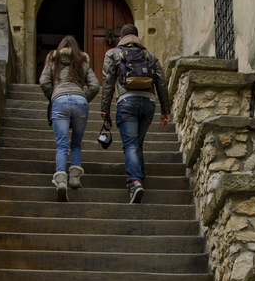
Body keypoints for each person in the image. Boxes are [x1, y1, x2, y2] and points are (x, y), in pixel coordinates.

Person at [100, 24, 171, 204]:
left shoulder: (113, 54)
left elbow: (108, 82)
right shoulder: (150, 55)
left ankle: (135, 181)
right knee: (137, 143)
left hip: (127, 102)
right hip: (148, 103)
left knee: (131, 144)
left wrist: (105, 108)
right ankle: (140, 176)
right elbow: (161, 83)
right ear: (137, 37)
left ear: (121, 38)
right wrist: (165, 110)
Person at [39, 35, 100, 202]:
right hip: (80, 102)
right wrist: (83, 98)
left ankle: (61, 180)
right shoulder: (82, 62)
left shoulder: (53, 61)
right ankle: (74, 178)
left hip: (59, 101)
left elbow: (44, 81)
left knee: (61, 144)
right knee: (76, 142)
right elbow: (94, 86)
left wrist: (54, 96)